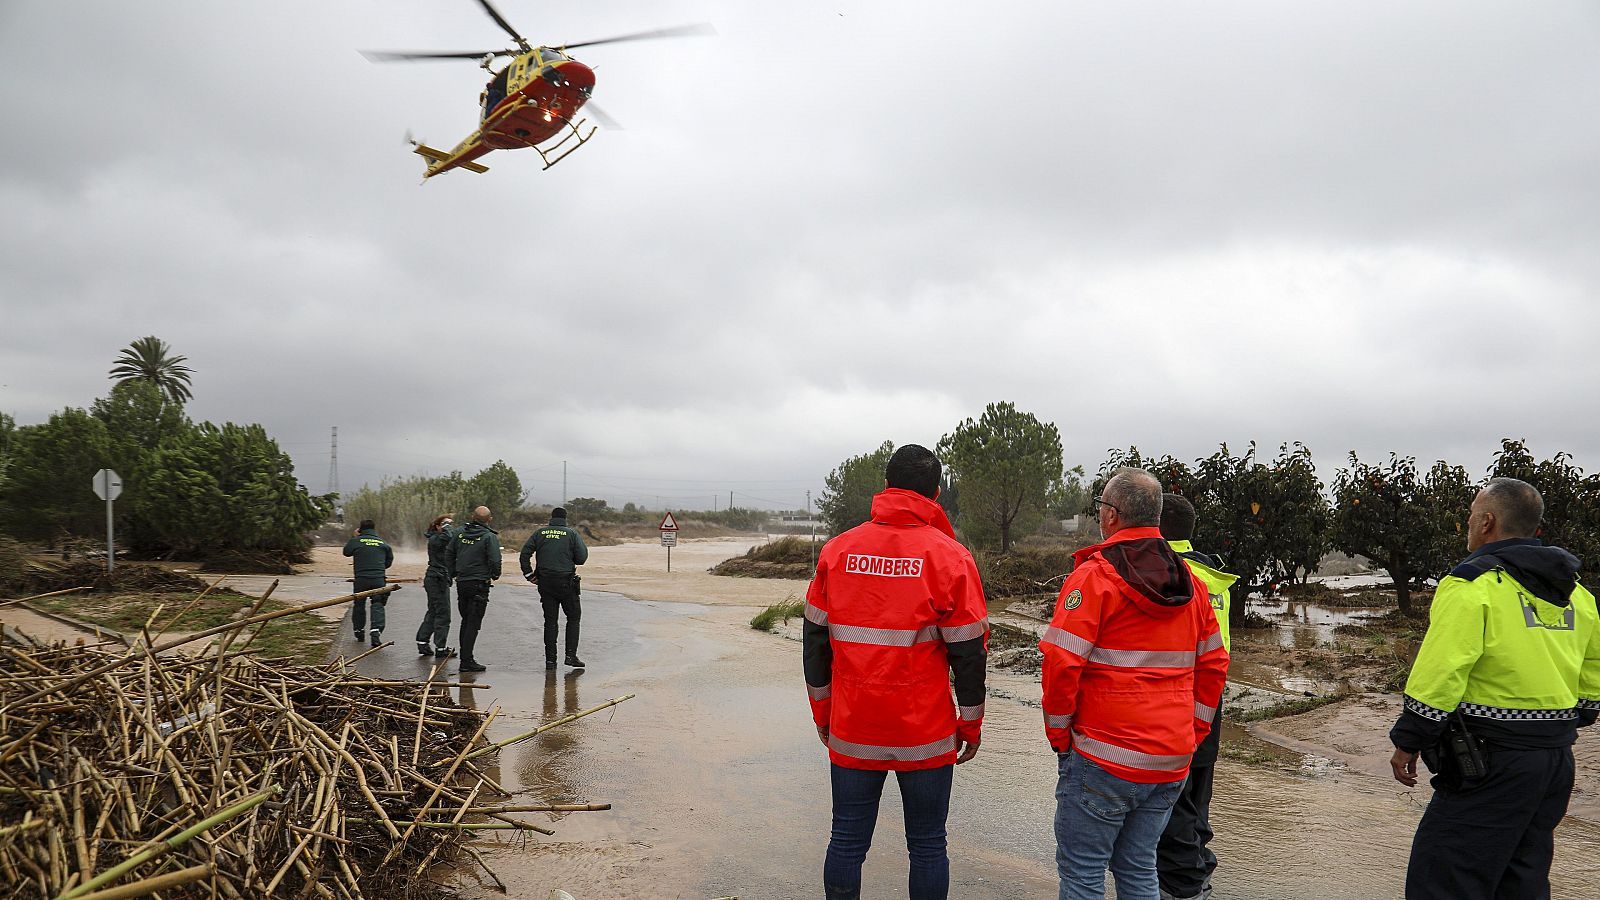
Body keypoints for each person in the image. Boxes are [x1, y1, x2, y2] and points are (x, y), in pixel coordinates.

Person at [1389, 477, 1600, 899]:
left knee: (1443, 880)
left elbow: (1442, 671)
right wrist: (1566, 719)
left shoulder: (1472, 584)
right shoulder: (1579, 595)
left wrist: (1408, 741)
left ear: (1487, 522)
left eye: (1470, 515)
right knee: (1522, 878)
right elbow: (1592, 676)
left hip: (1488, 762)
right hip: (1555, 761)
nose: (1467, 523)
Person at [802, 443, 988, 900]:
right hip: (924, 732)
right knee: (927, 847)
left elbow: (813, 644)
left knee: (846, 841)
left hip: (853, 726)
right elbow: (969, 653)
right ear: (936, 494)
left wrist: (823, 713)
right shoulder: (951, 557)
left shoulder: (837, 552)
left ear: (885, 487)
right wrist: (971, 722)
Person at [1040, 468, 1228, 900]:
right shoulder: (1193, 585)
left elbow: (1061, 662)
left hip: (1103, 755)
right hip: (1171, 759)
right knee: (1139, 866)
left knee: (1084, 873)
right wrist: (1193, 733)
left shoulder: (1095, 577)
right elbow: (1214, 664)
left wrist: (1060, 735)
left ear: (1111, 516)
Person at [1154, 494, 1238, 900]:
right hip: (1213, 696)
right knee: (1197, 793)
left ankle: (1183, 884)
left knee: (1173, 800)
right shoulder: (1211, 571)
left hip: (1179, 698)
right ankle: (1198, 868)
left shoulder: (1169, 574)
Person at [520, 506, 591, 670]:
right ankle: (570, 656)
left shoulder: (540, 533)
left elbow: (525, 553)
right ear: (565, 519)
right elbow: (581, 558)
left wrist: (529, 575)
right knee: (573, 618)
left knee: (550, 621)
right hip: (566, 583)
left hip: (545, 583)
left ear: (551, 518)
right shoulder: (572, 534)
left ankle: (550, 661)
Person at [446, 506, 501, 673]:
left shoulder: (459, 533)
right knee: (473, 622)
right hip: (479, 585)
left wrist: (452, 573)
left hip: (462, 582)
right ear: (489, 519)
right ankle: (466, 661)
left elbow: (449, 553)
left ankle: (466, 658)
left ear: (473, 516)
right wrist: (495, 574)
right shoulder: (489, 537)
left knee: (466, 620)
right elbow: (495, 559)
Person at [342, 519, 394, 646]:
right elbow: (388, 561)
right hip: (378, 579)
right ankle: (376, 631)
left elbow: (346, 552)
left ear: (360, 529)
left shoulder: (356, 541)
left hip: (361, 579)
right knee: (378, 604)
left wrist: (354, 537)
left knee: (359, 604)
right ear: (374, 529)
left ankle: (359, 631)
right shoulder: (382, 543)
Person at [417, 514, 456, 658]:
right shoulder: (436, 539)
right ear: (438, 526)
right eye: (445, 524)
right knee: (443, 614)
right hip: (436, 579)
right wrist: (447, 527)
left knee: (434, 611)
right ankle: (441, 648)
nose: (449, 527)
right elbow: (448, 537)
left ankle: (422, 641)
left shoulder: (440, 539)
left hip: (437, 578)